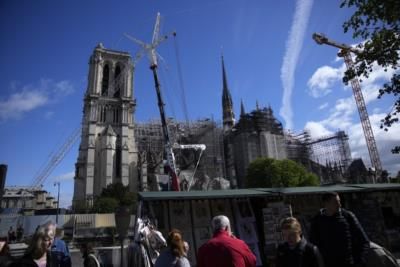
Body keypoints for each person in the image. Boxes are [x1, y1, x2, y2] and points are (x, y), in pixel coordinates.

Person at [310, 192, 370, 267]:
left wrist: (359, 262)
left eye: (339, 201)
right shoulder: (317, 221)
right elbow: (313, 245)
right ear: (326, 203)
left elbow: (364, 242)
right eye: (336, 202)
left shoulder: (348, 217)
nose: (339, 205)